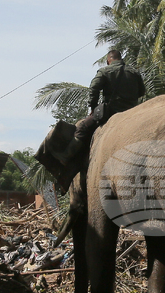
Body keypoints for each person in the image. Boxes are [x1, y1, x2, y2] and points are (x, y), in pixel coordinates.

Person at [54, 49, 146, 191]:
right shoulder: (134, 72)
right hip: (134, 113)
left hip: (112, 113)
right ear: (120, 59)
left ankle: (65, 160)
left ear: (109, 60)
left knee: (82, 129)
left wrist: (93, 107)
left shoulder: (104, 71)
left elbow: (94, 90)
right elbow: (142, 92)